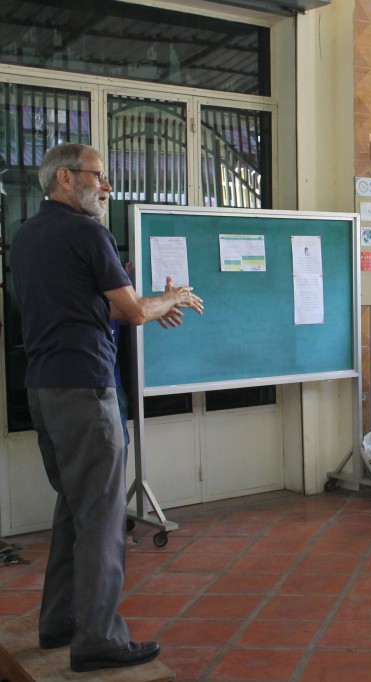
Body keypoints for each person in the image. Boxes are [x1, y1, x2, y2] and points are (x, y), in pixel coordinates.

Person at [10, 143, 204, 672]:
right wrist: (172, 299)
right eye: (99, 177)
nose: (108, 187)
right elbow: (135, 311)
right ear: (67, 179)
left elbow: (80, 304)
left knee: (74, 507)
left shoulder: (26, 236)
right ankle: (97, 637)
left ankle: (58, 622)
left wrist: (136, 307)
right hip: (84, 389)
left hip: (43, 388)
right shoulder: (87, 232)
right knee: (101, 517)